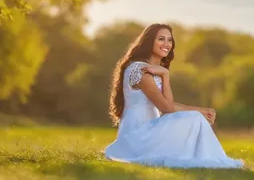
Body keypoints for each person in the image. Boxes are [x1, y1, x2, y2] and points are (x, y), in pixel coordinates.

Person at [103, 23, 244, 169]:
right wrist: (166, 75)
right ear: (149, 41)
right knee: (194, 118)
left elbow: (168, 105)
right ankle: (211, 159)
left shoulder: (155, 70)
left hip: (151, 130)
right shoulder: (140, 70)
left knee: (196, 117)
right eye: (161, 39)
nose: (166, 44)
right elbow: (167, 109)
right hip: (137, 136)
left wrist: (201, 111)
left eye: (169, 40)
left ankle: (210, 158)